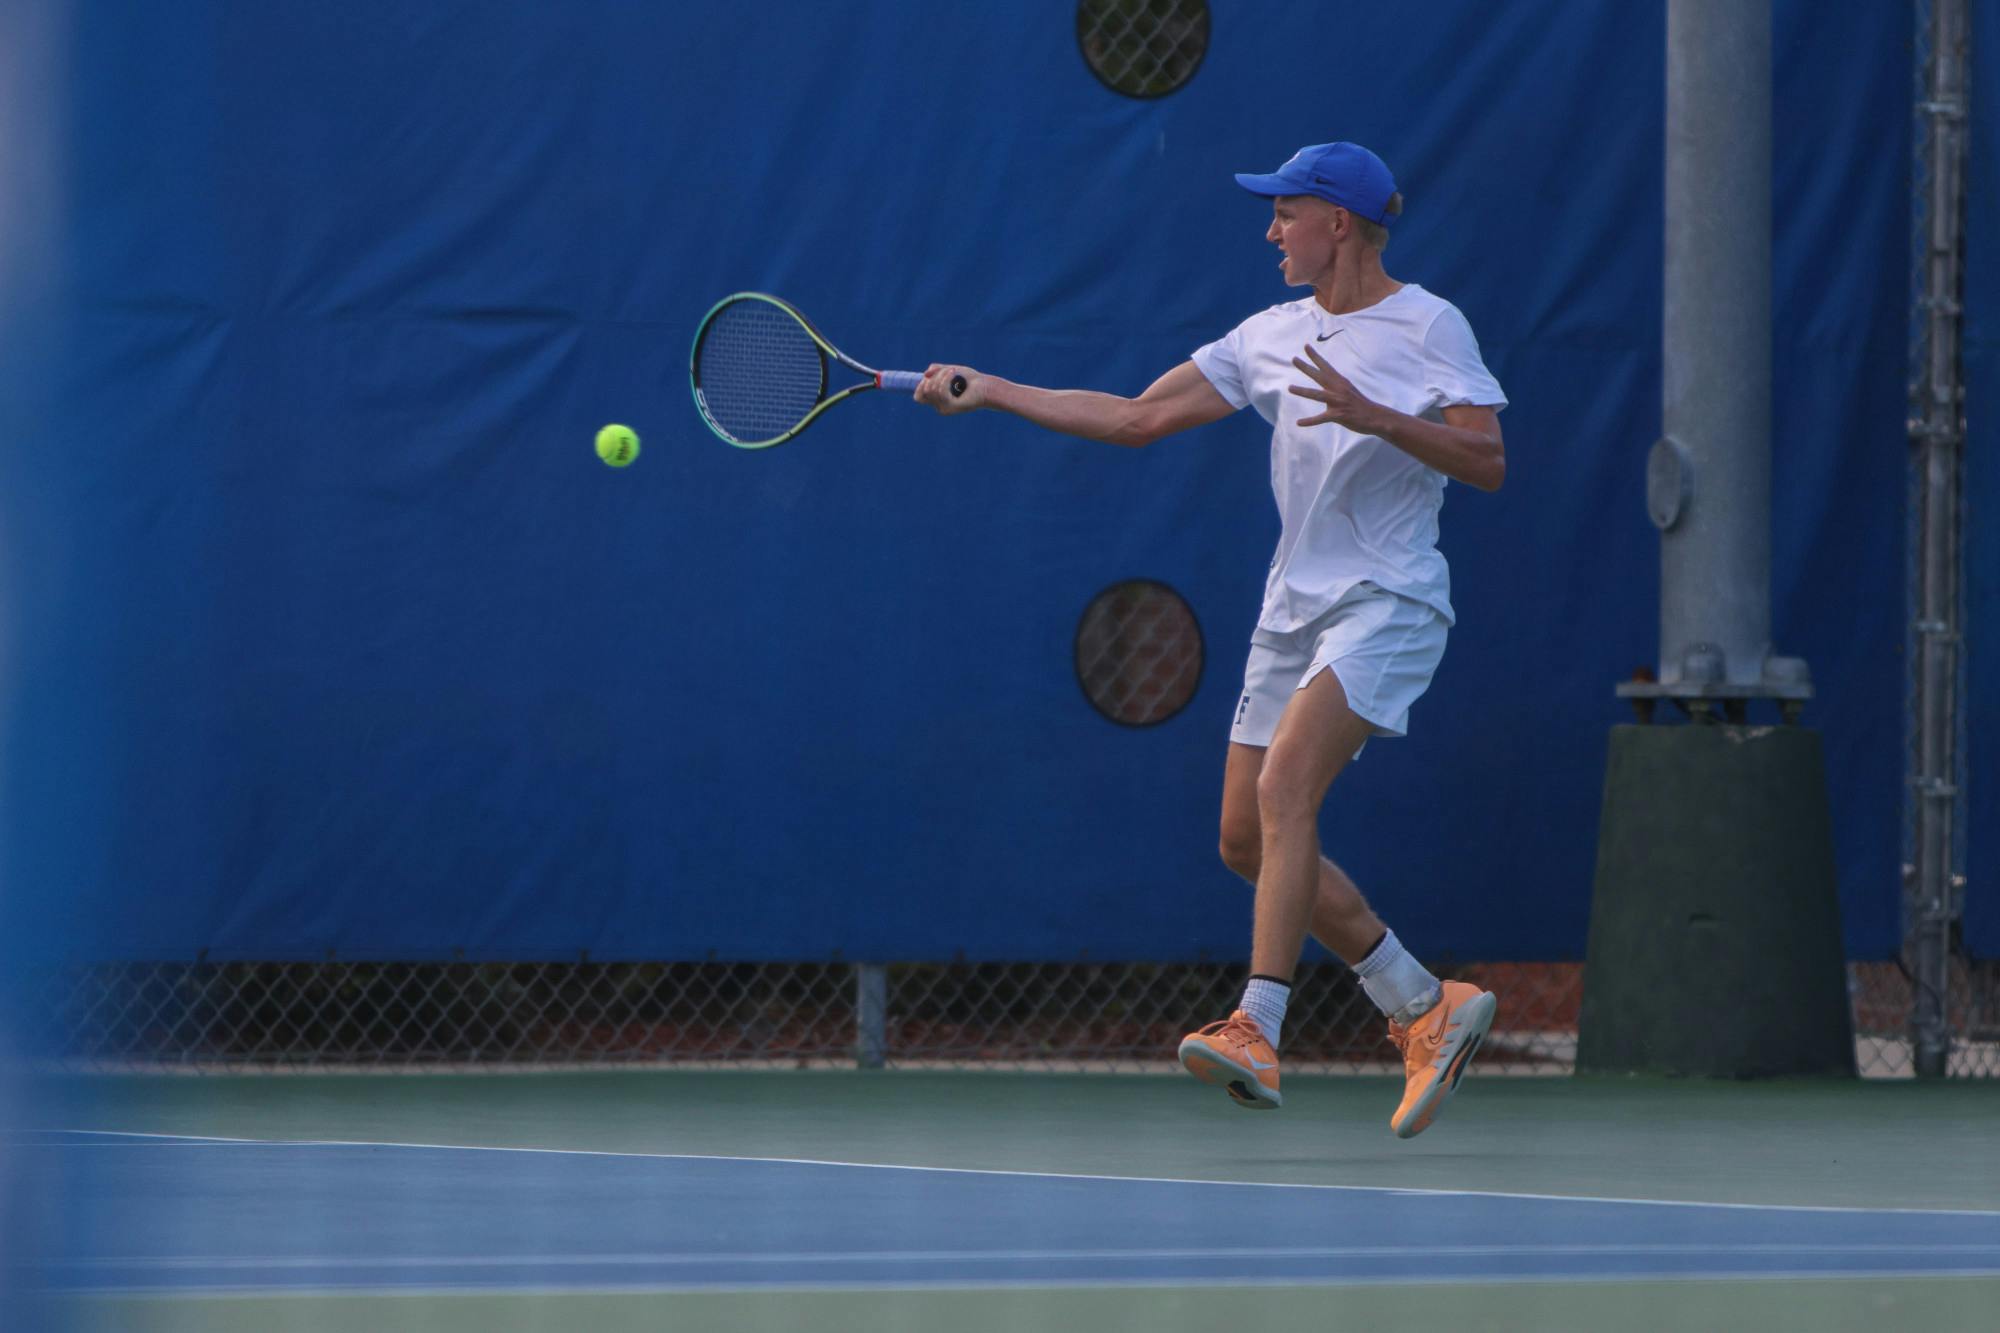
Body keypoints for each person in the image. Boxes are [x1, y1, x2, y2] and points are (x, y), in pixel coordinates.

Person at [914, 142, 1505, 1138]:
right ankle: (1419, 1000)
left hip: (1389, 599)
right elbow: (1137, 417)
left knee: (1286, 786)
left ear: (1337, 223)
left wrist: (1378, 417)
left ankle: (1256, 1026)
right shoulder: (1269, 335)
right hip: (1291, 610)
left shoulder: (1427, 324)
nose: (1270, 231)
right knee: (1243, 836)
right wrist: (995, 389)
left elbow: (1485, 458)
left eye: (1285, 212)